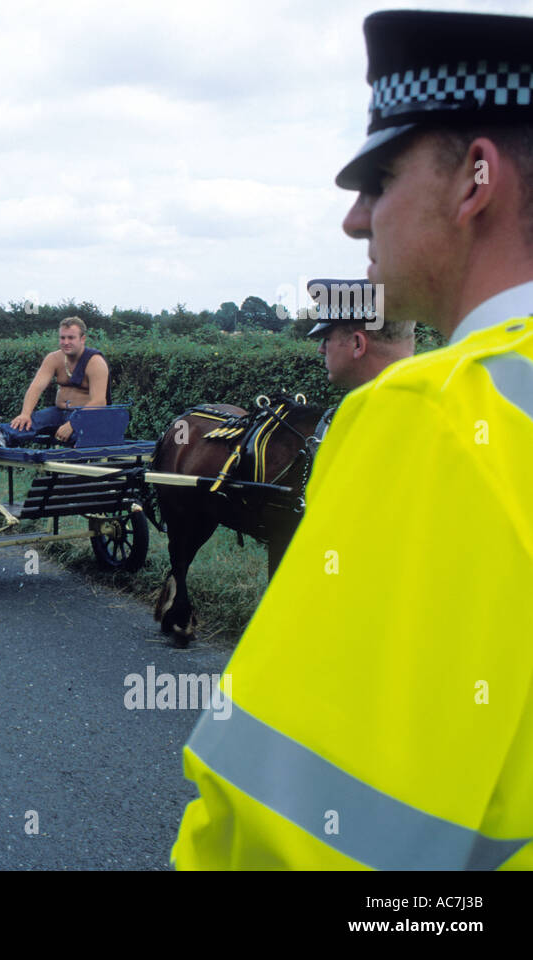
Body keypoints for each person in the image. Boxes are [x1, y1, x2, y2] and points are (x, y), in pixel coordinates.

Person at [172, 9, 533, 871]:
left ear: (475, 180)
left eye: (379, 179)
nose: (355, 220)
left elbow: (288, 833)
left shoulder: (427, 414)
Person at [5, 317, 110, 445]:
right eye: (62, 338)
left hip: (88, 418)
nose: (66, 342)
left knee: (77, 437)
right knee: (26, 423)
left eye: (71, 338)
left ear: (82, 339)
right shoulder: (53, 358)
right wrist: (25, 414)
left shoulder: (95, 362)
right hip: (59, 413)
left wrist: (73, 423)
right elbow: (36, 387)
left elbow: (99, 401)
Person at [304, 278, 414, 392]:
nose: (321, 349)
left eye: (327, 339)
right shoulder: (425, 396)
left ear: (357, 344)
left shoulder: (370, 408)